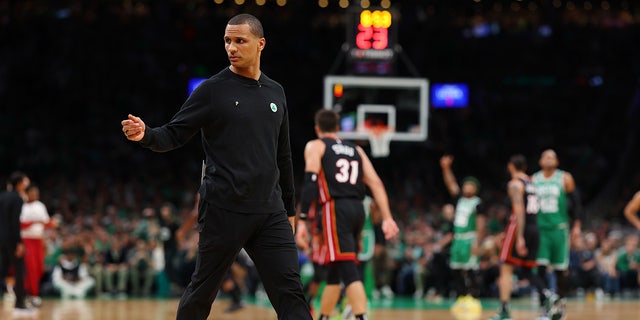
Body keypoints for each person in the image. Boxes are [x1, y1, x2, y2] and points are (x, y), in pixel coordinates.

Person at [121, 13, 312, 320]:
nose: (231, 47)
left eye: (240, 41)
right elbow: (173, 133)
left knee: (290, 292)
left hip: (269, 211)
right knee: (202, 292)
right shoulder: (212, 90)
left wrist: (290, 211)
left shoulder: (276, 92)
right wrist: (146, 135)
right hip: (224, 208)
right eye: (227, 41)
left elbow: (284, 156)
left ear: (260, 44)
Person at [296, 109, 400, 320]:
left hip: (335, 209)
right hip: (358, 209)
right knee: (335, 272)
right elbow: (376, 184)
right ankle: (324, 316)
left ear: (317, 129)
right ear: (337, 128)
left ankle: (360, 316)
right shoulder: (356, 150)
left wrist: (302, 221)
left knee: (347, 267)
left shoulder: (316, 146)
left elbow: (310, 183)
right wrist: (388, 217)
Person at [488, 155, 555, 320]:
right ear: (524, 167)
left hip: (519, 227)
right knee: (527, 269)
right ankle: (548, 297)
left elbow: (519, 211)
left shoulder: (514, 184)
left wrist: (519, 237)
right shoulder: (533, 183)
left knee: (506, 267)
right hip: (535, 227)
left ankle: (504, 311)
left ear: (511, 166)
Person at [532, 149, 583, 317]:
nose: (548, 159)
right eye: (545, 156)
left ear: (557, 162)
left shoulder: (565, 178)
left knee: (560, 269)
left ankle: (560, 304)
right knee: (539, 268)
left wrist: (576, 225)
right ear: (540, 162)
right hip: (540, 229)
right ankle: (544, 302)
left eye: (552, 156)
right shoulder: (534, 179)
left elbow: (576, 203)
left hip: (559, 229)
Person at [439, 155, 487, 304]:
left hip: (469, 238)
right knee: (456, 269)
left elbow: (481, 225)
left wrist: (477, 243)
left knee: (471, 270)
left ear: (475, 189)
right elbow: (451, 184)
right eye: (465, 185)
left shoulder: (478, 203)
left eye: (470, 185)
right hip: (458, 239)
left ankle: (474, 296)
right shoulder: (459, 199)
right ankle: (462, 295)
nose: (466, 187)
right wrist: (446, 168)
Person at [0, 171, 37, 317]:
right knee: (20, 270)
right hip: (11, 238)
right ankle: (20, 304)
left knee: (3, 270)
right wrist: (19, 242)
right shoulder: (17, 198)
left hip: (0, 238)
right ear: (20, 183)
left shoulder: (2, 196)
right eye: (26, 181)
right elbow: (15, 223)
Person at [20, 184, 56, 307]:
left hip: (38, 240)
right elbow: (20, 224)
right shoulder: (22, 206)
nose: (35, 195)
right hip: (26, 239)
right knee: (30, 268)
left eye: (37, 193)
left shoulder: (40, 206)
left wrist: (52, 223)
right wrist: (35, 221)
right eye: (33, 192)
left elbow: (46, 223)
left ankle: (33, 294)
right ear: (27, 193)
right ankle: (32, 295)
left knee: (39, 268)